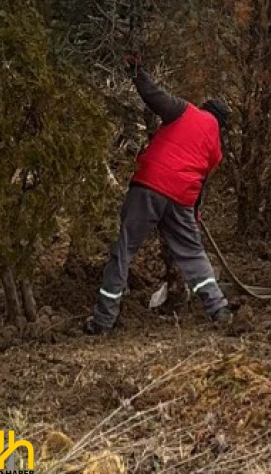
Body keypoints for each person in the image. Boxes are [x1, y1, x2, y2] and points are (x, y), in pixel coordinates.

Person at [84, 54, 233, 335]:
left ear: (205, 109)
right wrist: (194, 215)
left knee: (124, 251)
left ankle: (103, 321)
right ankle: (219, 309)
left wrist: (137, 72)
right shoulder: (216, 149)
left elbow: (153, 96)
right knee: (192, 253)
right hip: (181, 200)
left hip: (150, 187)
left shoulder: (185, 111)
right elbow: (199, 185)